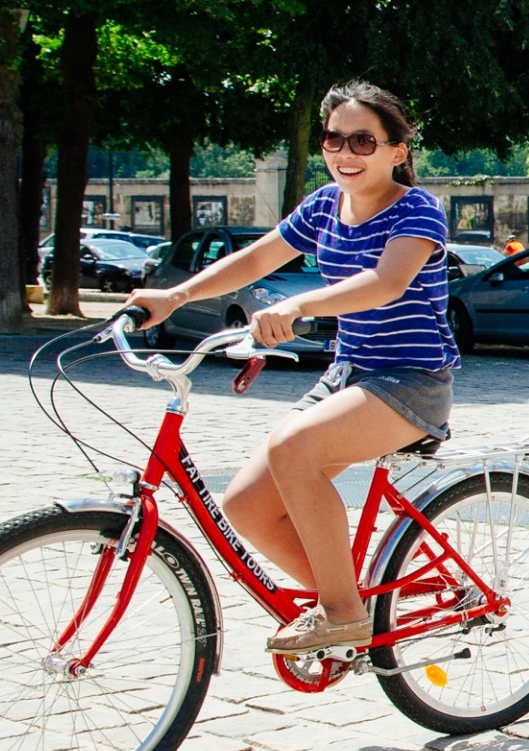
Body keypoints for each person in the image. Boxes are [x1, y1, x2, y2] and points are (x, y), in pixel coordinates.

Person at [121, 83, 454, 653]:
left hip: (412, 381)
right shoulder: (325, 203)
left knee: (293, 448)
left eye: (363, 141)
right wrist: (173, 297)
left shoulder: (417, 209)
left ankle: (343, 612)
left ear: (398, 151)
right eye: (333, 139)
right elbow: (255, 259)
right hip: (349, 373)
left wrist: (299, 305)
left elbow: (386, 283)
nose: (345, 153)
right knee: (246, 506)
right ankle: (361, 604)